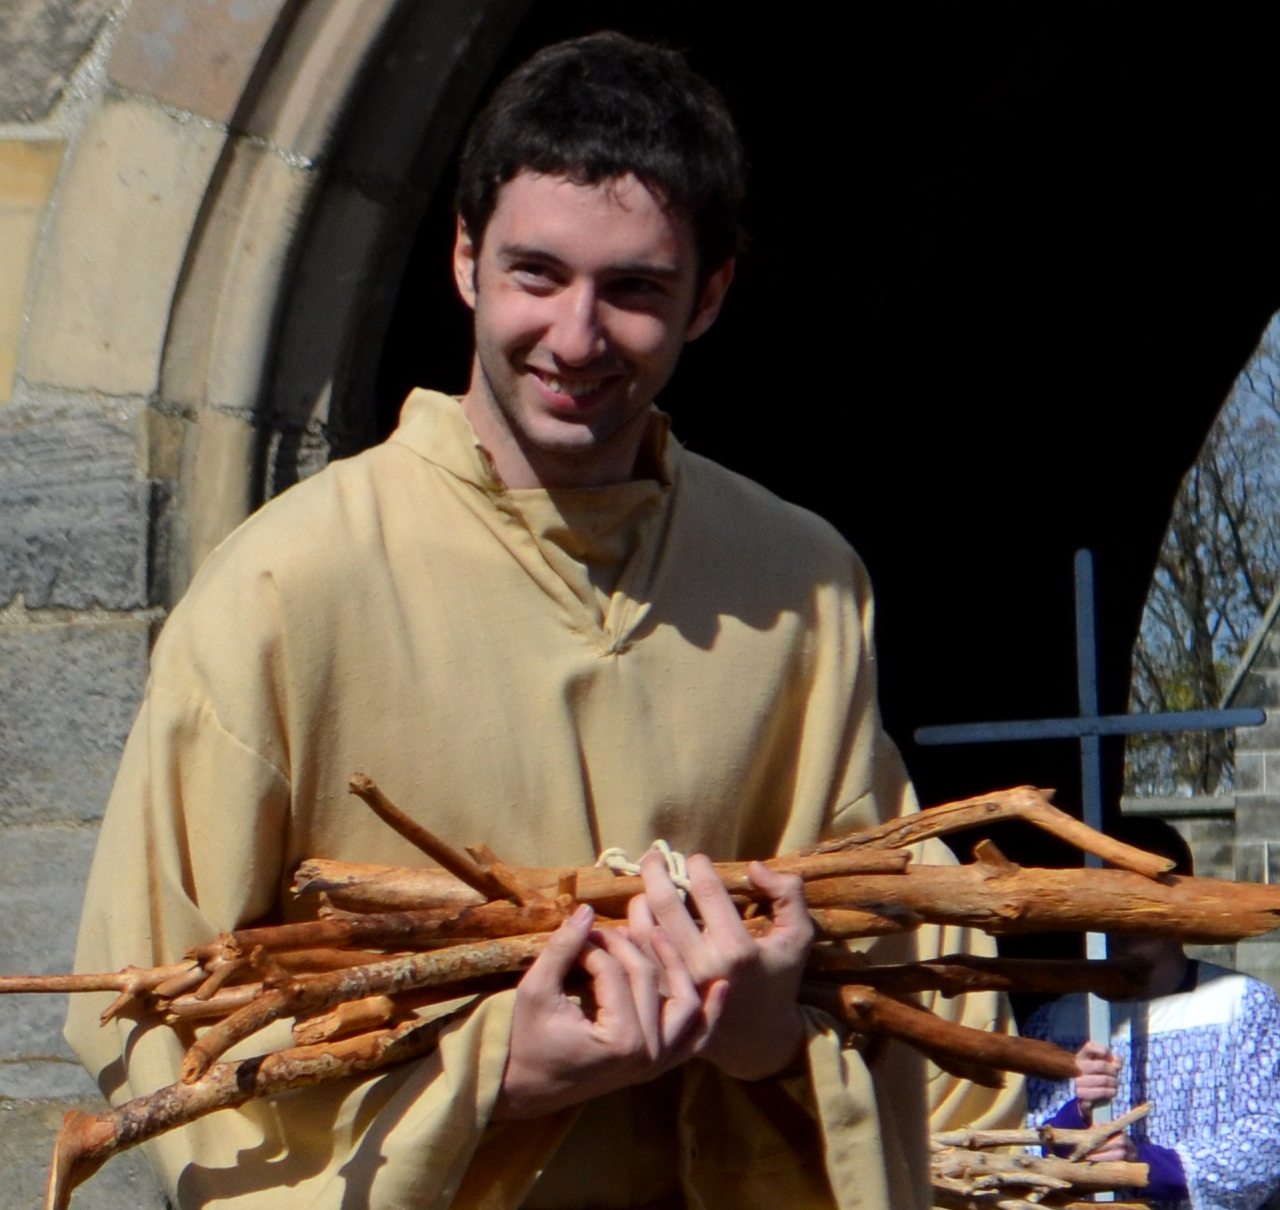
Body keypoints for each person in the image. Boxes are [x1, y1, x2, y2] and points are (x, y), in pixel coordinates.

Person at [66, 32, 1018, 1210]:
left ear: (708, 295)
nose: (574, 337)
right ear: (465, 259)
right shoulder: (280, 592)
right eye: (535, 273)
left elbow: (924, 1008)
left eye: (632, 289)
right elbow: (148, 1013)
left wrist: (774, 1040)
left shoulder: (800, 586)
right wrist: (483, 1080)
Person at [1022, 817, 1280, 1210]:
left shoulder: (1242, 1005)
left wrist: (1149, 1165)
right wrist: (1075, 1115)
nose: (1127, 914)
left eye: (1144, 893)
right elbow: (1020, 1150)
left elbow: (1270, 1135)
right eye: (1111, 896)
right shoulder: (1055, 1023)